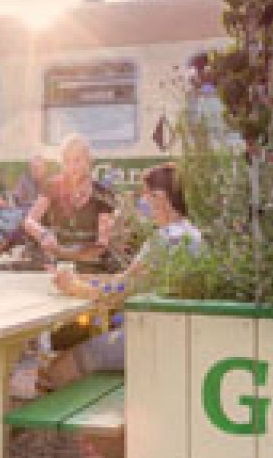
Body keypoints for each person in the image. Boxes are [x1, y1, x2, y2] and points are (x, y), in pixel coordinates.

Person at [43, 162, 201, 390]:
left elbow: (118, 292)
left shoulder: (165, 240)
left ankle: (60, 424)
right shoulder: (189, 233)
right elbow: (127, 280)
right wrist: (83, 280)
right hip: (176, 335)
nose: (142, 202)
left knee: (59, 366)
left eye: (146, 195)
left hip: (150, 339)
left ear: (161, 198)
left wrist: (74, 287)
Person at [22, 133, 119, 270]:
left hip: (91, 263)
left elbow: (102, 244)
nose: (72, 167)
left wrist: (66, 253)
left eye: (77, 160)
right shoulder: (53, 186)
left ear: (88, 161)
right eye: (67, 161)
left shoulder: (103, 194)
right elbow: (29, 221)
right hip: (59, 263)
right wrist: (43, 234)